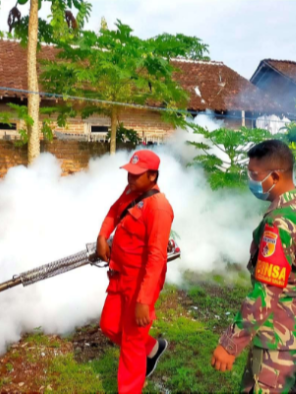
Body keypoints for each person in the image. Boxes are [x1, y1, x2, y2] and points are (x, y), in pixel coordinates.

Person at [211, 140, 296, 394]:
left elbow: (266, 291)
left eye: (255, 175)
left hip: (280, 338)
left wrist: (231, 342)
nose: (251, 181)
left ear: (275, 176)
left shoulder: (280, 223)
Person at [97, 149, 174, 394]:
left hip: (140, 282)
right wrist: (102, 236)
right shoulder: (132, 192)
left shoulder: (159, 208)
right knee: (108, 325)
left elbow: (156, 258)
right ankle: (151, 348)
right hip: (119, 275)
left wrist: (143, 300)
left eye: (136, 175)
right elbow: (113, 210)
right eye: (129, 173)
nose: (129, 179)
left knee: (131, 344)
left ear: (152, 176)